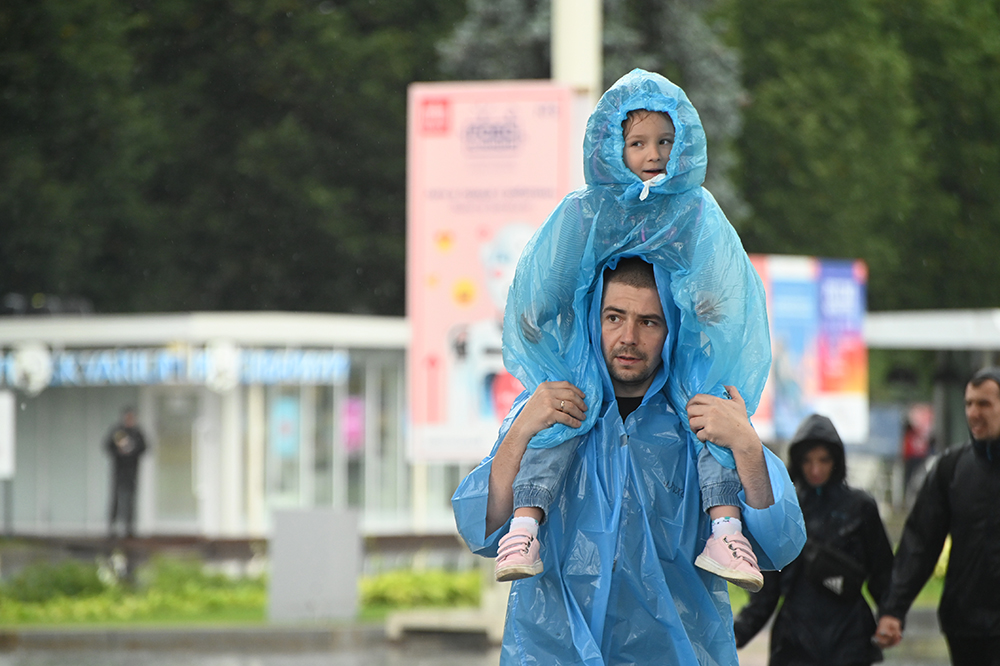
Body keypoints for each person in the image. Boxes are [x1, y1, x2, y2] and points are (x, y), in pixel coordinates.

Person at [493, 69, 773, 593]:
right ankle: (526, 524)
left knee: (708, 420)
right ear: (611, 146)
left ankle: (726, 529)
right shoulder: (587, 211)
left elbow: (782, 538)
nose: (653, 155)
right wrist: (523, 421)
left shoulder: (695, 212)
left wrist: (748, 446)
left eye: (666, 142)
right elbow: (554, 275)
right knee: (562, 419)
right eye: (637, 142)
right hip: (560, 646)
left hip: (676, 645)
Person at [452, 257, 805, 665]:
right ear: (593, 320)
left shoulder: (702, 419)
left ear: (672, 329)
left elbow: (778, 543)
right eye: (614, 317)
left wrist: (745, 445)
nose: (629, 337)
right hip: (554, 653)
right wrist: (519, 432)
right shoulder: (547, 409)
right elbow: (483, 529)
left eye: (649, 322)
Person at [733, 413, 895, 666]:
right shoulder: (784, 509)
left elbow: (883, 571)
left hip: (849, 634)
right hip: (795, 638)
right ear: (797, 462)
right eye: (807, 461)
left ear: (837, 460)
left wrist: (890, 614)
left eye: (824, 460)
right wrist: (738, 633)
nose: (816, 469)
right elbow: (768, 588)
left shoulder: (860, 507)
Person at [874, 367, 1000, 666]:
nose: (973, 413)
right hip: (965, 625)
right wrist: (893, 609)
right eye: (969, 403)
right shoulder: (952, 468)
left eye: (984, 404)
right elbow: (921, 542)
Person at [105, 406, 147, 538]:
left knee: (130, 499)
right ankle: (112, 527)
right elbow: (107, 446)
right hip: (119, 470)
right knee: (116, 498)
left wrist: (132, 452)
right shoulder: (117, 431)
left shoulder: (137, 432)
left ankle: (129, 528)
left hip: (132, 471)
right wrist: (119, 451)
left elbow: (144, 447)